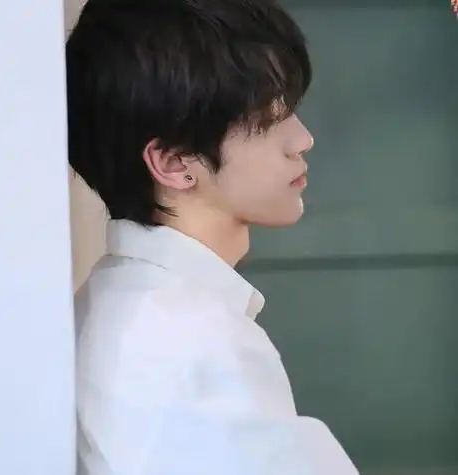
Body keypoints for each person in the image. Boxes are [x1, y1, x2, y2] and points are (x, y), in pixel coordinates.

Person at [67, 1, 359, 474]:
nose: (302, 139)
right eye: (269, 119)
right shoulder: (185, 341)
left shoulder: (124, 304)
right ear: (175, 163)